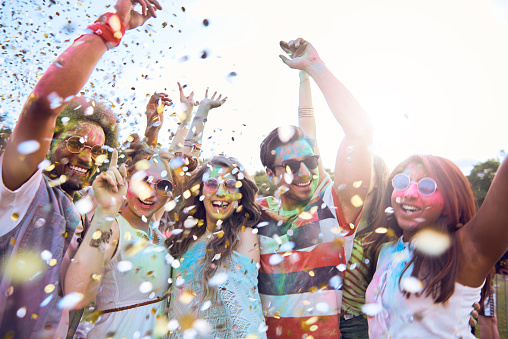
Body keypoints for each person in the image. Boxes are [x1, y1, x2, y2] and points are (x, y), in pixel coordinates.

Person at [0, 1, 161, 337]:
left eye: (96, 151)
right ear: (49, 142)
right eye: (74, 144)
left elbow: (79, 295)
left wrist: (105, 215)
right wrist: (109, 29)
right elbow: (44, 102)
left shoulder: (85, 212)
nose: (85, 158)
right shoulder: (20, 189)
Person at [257, 38, 373, 338]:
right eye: (291, 166)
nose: (305, 172)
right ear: (270, 173)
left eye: (310, 161)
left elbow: (360, 133)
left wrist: (315, 69)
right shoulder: (256, 218)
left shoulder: (334, 208)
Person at [365, 154, 508, 338]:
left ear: (449, 202)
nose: (409, 193)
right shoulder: (386, 250)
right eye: (402, 182)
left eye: (427, 186)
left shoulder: (462, 249)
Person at [64, 146, 172, 338]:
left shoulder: (153, 229)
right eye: (143, 181)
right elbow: (76, 293)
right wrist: (105, 213)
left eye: (162, 185)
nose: (151, 193)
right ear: (127, 179)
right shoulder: (113, 227)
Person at [165, 155, 266, 338]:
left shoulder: (243, 236)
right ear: (201, 191)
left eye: (229, 185)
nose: (220, 192)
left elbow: (246, 311)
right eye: (212, 183)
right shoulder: (187, 237)